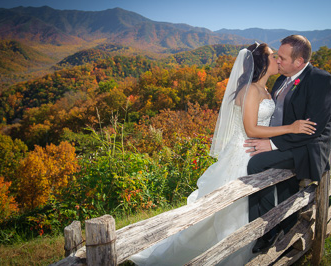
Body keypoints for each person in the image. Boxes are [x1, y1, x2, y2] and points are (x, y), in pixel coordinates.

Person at [129, 42, 316, 266]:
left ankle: (253, 246)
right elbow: (251, 129)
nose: (277, 59)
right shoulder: (249, 90)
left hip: (258, 152)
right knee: (231, 211)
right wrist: (291, 128)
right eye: (272, 56)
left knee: (250, 206)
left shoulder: (267, 89)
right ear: (261, 63)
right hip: (243, 152)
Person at [244, 35, 331, 253]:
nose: (277, 60)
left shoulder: (321, 80)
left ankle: (265, 231)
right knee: (286, 187)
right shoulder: (280, 80)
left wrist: (272, 144)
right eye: (276, 56)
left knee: (257, 164)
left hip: (308, 147)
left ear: (299, 62)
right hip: (289, 142)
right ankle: (285, 225)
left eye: (282, 58)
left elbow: (311, 128)